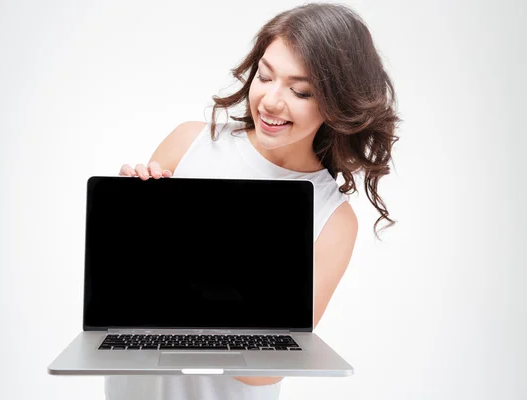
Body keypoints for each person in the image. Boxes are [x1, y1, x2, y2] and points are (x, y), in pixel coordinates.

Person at [106, 2, 400, 399]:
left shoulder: (333, 218)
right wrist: (130, 224)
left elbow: (262, 373)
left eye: (300, 91)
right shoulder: (190, 141)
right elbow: (125, 293)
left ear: (337, 103)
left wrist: (214, 274)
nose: (271, 102)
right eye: (264, 75)